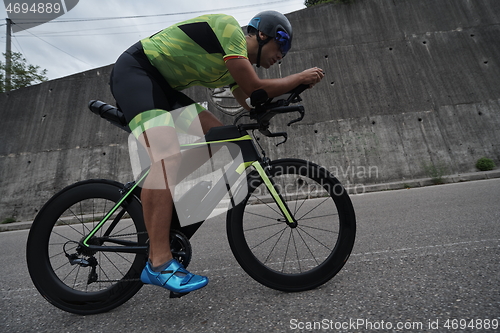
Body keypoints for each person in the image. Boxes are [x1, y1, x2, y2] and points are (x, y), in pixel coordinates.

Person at [109, 10, 324, 294]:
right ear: (263, 34)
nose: (281, 56)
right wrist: (298, 78)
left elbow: (251, 100)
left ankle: (160, 189)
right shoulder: (229, 30)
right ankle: (159, 264)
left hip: (165, 90)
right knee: (167, 157)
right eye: (281, 45)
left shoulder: (233, 65)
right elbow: (255, 86)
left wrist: (280, 104)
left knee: (223, 140)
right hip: (137, 72)